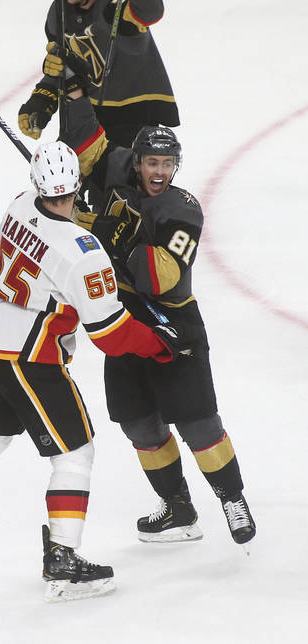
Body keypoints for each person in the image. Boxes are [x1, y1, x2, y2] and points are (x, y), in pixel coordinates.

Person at [0, 141, 187, 601]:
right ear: (75, 188)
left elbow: (47, 235)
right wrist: (158, 345)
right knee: (75, 454)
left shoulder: (16, 204)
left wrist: (78, 225)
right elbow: (108, 333)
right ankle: (63, 562)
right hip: (27, 357)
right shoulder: (83, 252)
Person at [59, 86, 256, 546]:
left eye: (167, 165)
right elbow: (88, 143)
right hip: (121, 321)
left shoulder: (183, 210)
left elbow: (160, 278)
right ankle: (179, 509)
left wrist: (117, 238)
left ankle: (231, 496)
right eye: (152, 163)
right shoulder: (118, 166)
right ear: (138, 161)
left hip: (172, 324)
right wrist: (71, 94)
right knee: (139, 424)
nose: (160, 173)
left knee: (197, 422)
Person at [18, 0, 178, 150]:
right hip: (86, 118)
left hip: (133, 122)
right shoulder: (58, 12)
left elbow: (151, 10)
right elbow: (66, 66)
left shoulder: (115, 8)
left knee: (119, 176)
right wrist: (42, 100)